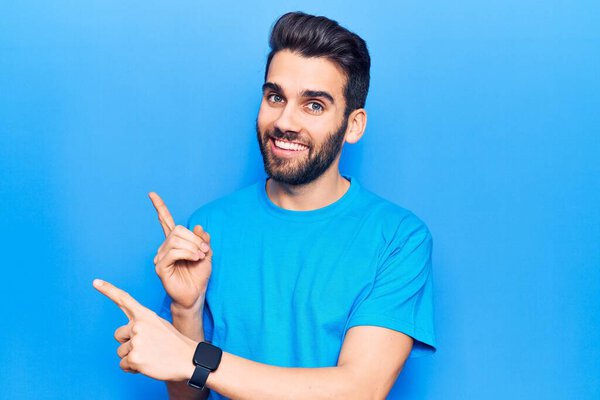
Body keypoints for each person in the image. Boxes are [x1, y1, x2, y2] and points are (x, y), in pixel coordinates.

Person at [93, 11, 437, 399]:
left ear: (353, 125)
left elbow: (360, 390)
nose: (285, 121)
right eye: (275, 97)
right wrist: (185, 311)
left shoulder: (398, 237)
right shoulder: (209, 227)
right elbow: (189, 396)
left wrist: (194, 357)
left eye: (314, 105)